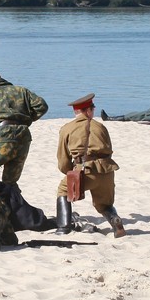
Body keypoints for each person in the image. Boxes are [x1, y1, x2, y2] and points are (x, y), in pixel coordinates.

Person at [56, 93, 127, 238]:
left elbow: (63, 159)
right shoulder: (101, 127)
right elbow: (109, 150)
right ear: (88, 111)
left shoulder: (67, 128)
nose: (93, 112)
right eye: (93, 109)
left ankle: (63, 228)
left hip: (85, 171)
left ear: (76, 111)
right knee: (104, 205)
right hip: (107, 170)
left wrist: (70, 172)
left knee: (63, 191)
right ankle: (114, 219)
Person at [0, 70, 48, 185]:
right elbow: (42, 106)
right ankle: (12, 196)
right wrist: (27, 119)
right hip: (23, 137)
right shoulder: (21, 91)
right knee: (10, 182)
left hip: (1, 137)